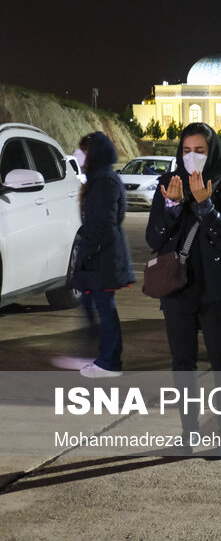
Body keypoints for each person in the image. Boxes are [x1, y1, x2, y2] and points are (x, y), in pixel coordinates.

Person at [145, 122, 221, 451]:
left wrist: (206, 206)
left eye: (200, 151)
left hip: (218, 289)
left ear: (212, 151)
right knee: (182, 363)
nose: (192, 157)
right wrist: (172, 207)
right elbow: (154, 238)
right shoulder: (168, 183)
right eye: (187, 150)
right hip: (177, 288)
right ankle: (188, 433)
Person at [72, 132, 135, 378]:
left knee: (104, 308)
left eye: (85, 151)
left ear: (96, 153)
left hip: (103, 258)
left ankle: (109, 362)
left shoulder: (105, 182)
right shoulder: (98, 179)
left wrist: (89, 252)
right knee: (92, 304)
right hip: (99, 257)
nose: (81, 155)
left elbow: (107, 224)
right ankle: (102, 356)